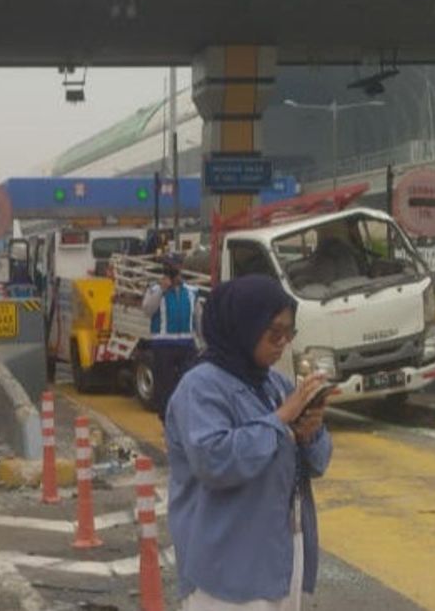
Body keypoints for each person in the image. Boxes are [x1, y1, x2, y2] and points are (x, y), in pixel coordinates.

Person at [165, 275, 334, 611]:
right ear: (243, 326)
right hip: (224, 570)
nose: (283, 343)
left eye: (289, 333)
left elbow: (318, 462)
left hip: (281, 557)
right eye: (274, 333)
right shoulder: (200, 387)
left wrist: (310, 431)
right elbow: (214, 460)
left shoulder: (274, 383)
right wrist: (281, 418)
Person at [141, 262, 199, 418]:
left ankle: (185, 416)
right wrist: (162, 290)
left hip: (186, 344)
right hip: (163, 344)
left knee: (188, 382)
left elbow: (197, 318)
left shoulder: (192, 292)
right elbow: (147, 310)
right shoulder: (155, 290)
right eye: (173, 275)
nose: (177, 278)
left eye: (178, 274)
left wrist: (202, 341)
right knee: (164, 385)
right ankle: (166, 417)